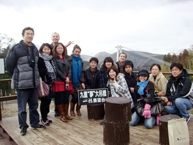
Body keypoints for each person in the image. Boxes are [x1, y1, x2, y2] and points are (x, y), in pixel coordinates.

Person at [5, 27, 45, 136]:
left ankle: (35, 123)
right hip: (22, 84)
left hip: (33, 83)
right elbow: (9, 65)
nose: (30, 36)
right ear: (23, 35)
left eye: (32, 34)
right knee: (22, 108)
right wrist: (18, 75)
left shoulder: (35, 49)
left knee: (34, 106)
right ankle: (23, 126)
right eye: (28, 34)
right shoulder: (16, 49)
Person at [50, 32, 74, 116]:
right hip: (59, 80)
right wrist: (64, 78)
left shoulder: (66, 58)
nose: (60, 49)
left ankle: (66, 114)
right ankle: (62, 115)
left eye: (61, 48)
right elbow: (56, 70)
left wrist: (69, 77)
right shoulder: (54, 59)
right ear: (55, 49)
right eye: (58, 48)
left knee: (66, 98)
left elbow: (70, 68)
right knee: (59, 98)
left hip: (67, 81)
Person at [38, 43, 56, 126]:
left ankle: (45, 117)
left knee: (48, 100)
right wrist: (45, 72)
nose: (47, 51)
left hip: (51, 82)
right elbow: (39, 71)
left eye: (48, 49)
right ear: (41, 49)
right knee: (44, 101)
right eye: (45, 49)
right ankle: (43, 118)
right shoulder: (40, 59)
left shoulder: (50, 59)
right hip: (44, 82)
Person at [68, 44, 85, 116]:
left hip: (80, 81)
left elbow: (83, 71)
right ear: (73, 51)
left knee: (80, 97)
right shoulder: (69, 59)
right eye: (76, 51)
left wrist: (83, 81)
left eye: (78, 52)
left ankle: (78, 109)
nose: (77, 53)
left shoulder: (81, 60)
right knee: (74, 97)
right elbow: (68, 70)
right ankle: (72, 110)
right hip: (72, 81)